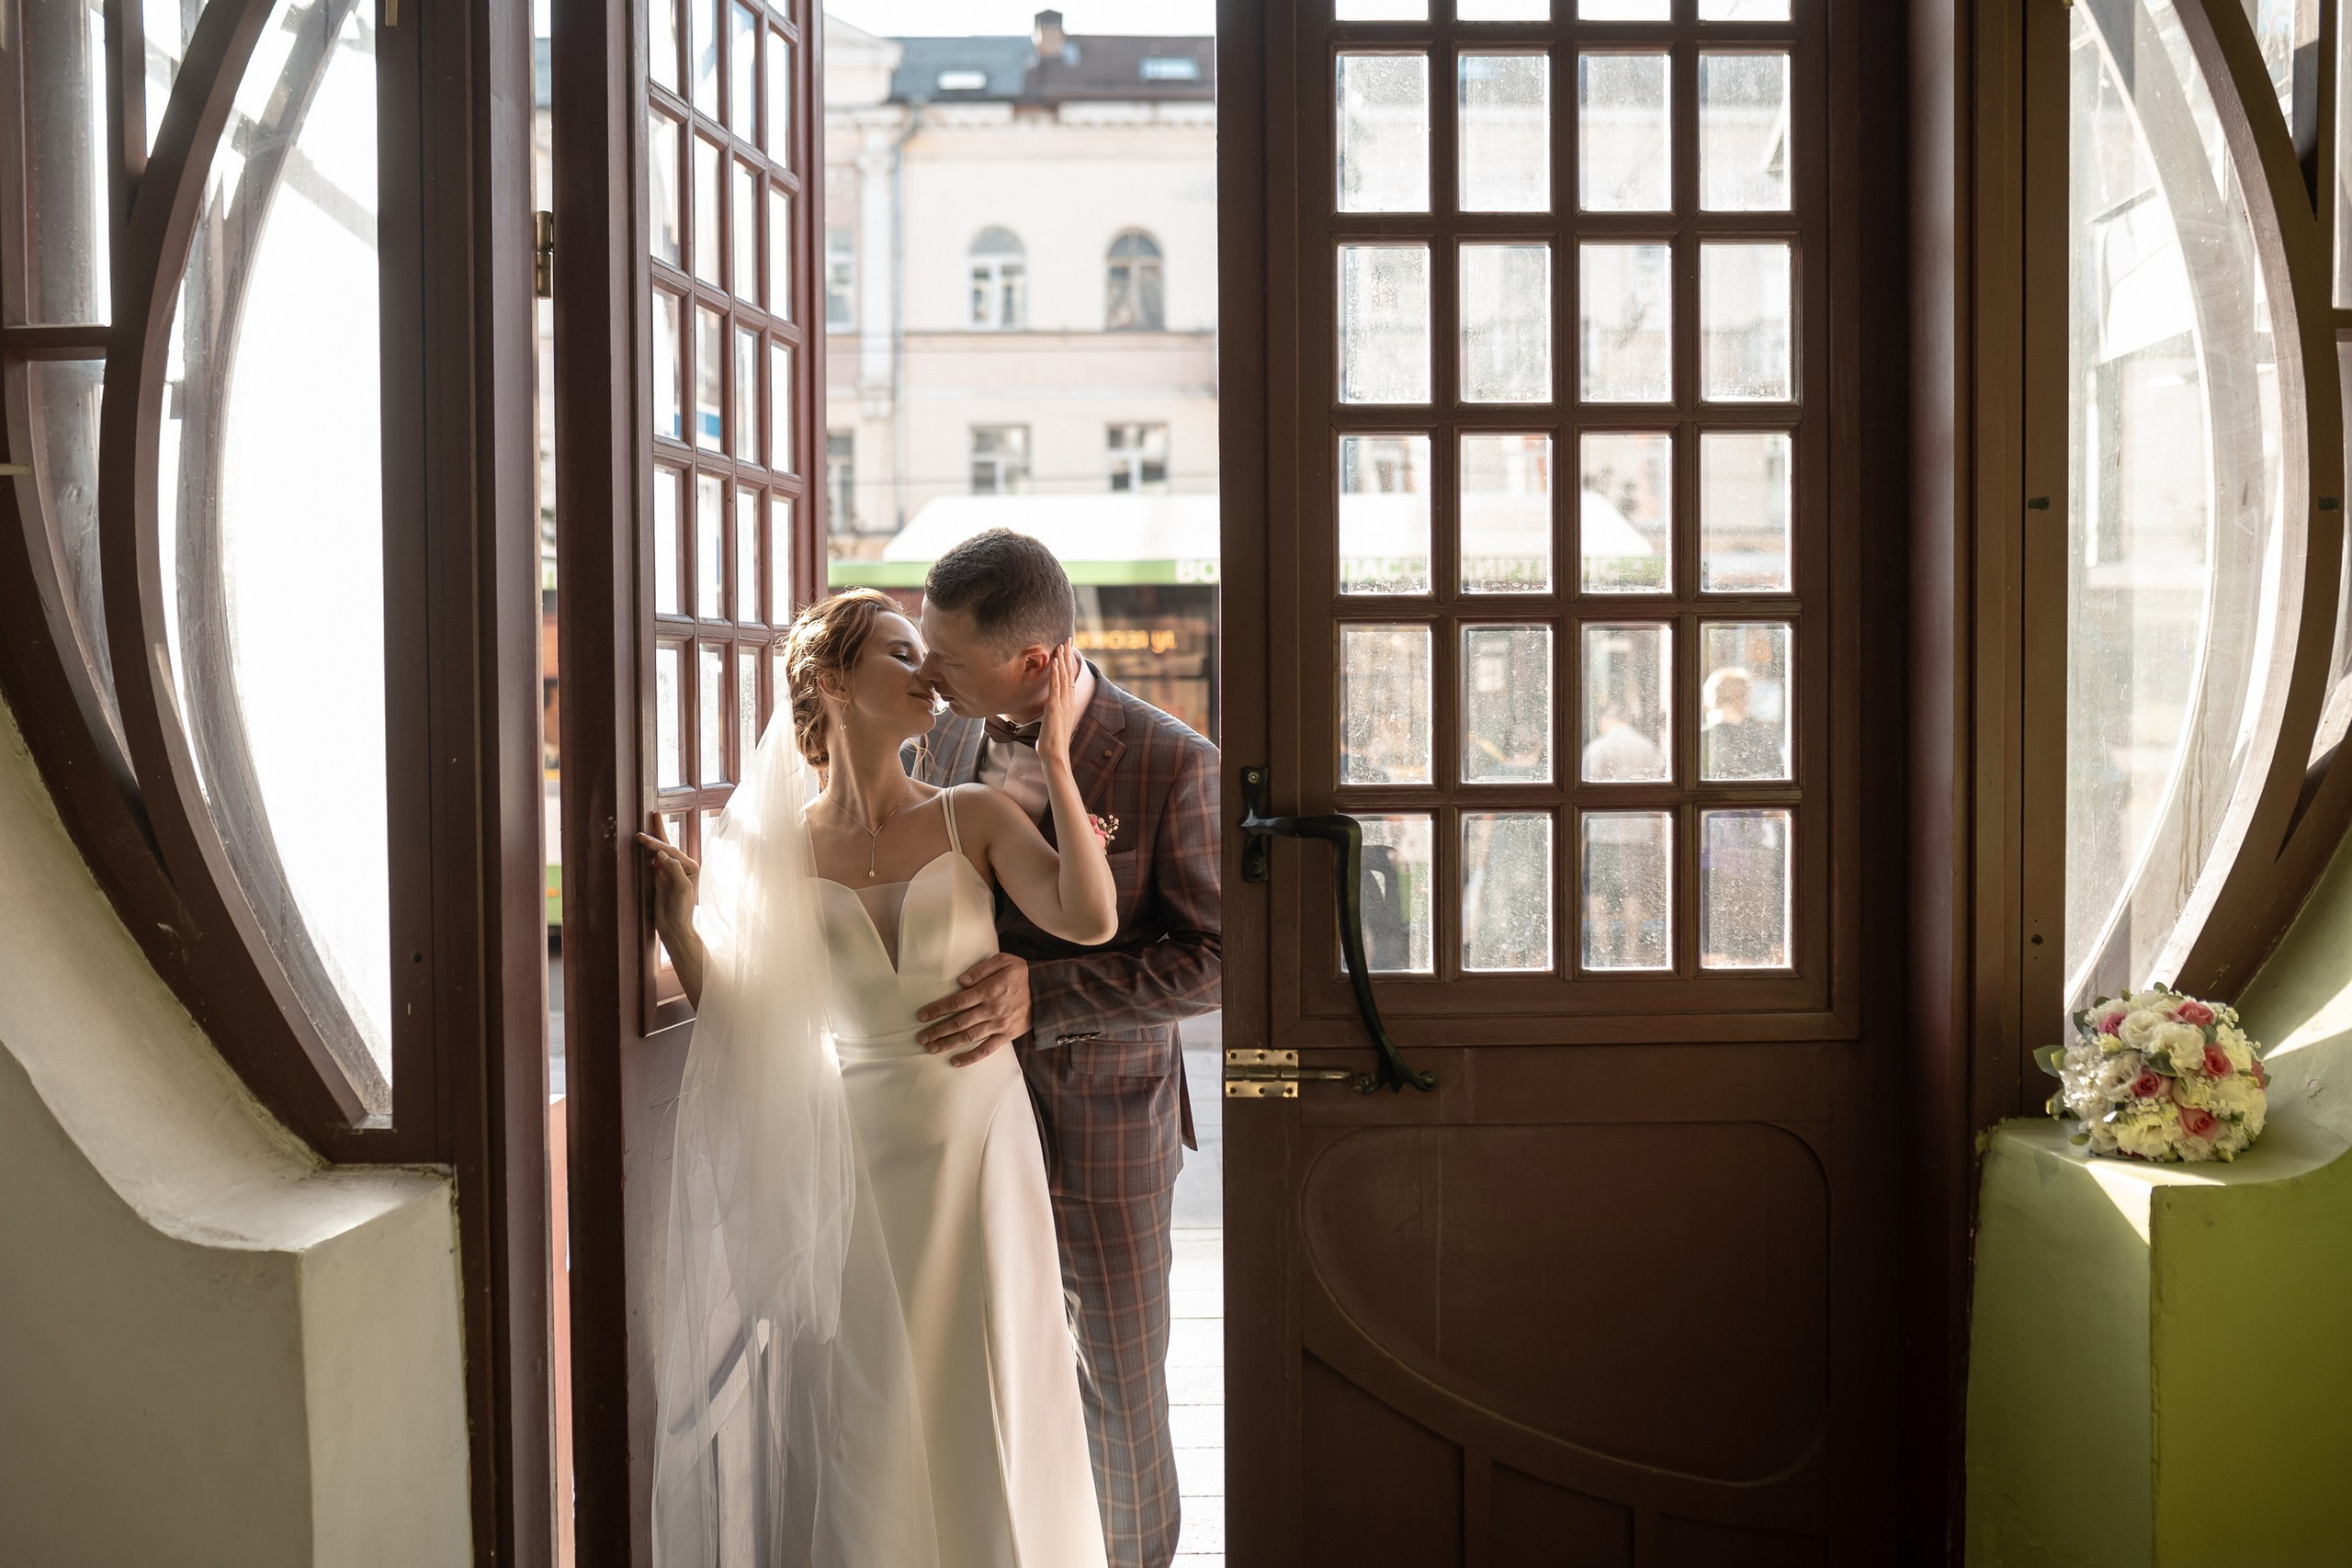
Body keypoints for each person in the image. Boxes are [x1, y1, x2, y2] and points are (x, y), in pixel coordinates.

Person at [639, 588, 1117, 1568]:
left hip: (980, 1140)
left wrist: (1058, 762)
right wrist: (682, 929)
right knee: (871, 1401)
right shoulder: (777, 850)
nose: (928, 675)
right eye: (901, 655)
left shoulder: (971, 815)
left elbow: (1088, 916)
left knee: (995, 1376)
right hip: (854, 1151)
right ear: (832, 681)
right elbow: (751, 1023)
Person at [907, 528, 1221, 1568]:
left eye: (948, 658)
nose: (927, 674)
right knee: (984, 1367)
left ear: (1033, 661)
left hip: (1108, 1121)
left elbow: (1218, 961)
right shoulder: (942, 737)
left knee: (1119, 1384)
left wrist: (1042, 994)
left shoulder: (1173, 762)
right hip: (953, 1103)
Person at [1701, 666, 1785, 780]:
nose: (1744, 701)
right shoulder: (1760, 740)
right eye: (1738, 696)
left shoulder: (1760, 740)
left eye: (1744, 695)